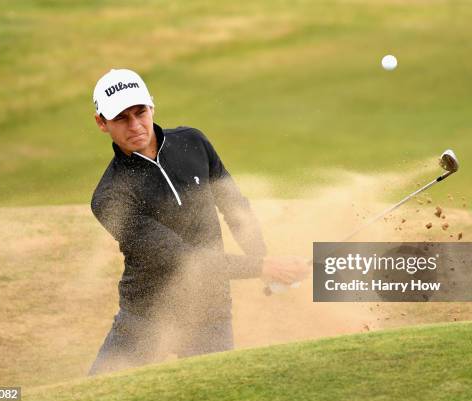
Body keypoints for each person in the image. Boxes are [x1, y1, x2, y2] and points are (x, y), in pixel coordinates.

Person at [87, 68, 308, 375]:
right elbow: (183, 260)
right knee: (100, 394)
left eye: (140, 112)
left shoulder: (192, 142)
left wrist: (261, 257)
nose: (135, 125)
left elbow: (234, 206)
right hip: (145, 316)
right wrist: (264, 268)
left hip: (210, 310)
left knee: (214, 393)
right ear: (101, 122)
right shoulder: (110, 196)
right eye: (122, 118)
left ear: (152, 106)